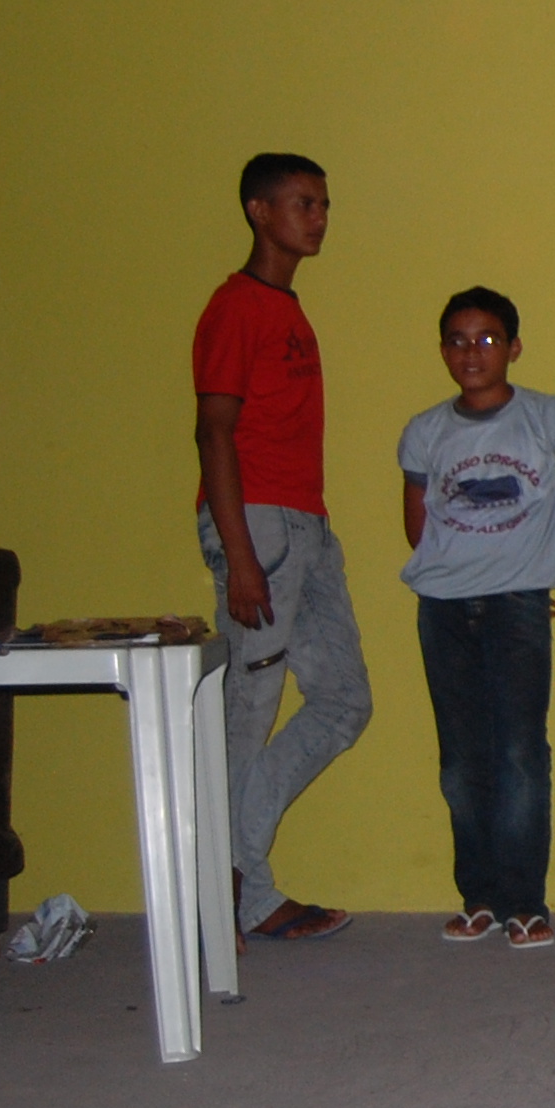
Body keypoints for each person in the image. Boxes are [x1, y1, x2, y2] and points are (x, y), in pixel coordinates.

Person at [395, 286, 555, 950]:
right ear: (442, 351)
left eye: (487, 339)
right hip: (442, 611)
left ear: (514, 348)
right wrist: (479, 568)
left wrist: (527, 567)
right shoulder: (425, 432)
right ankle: (480, 896)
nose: (472, 352)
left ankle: (524, 901)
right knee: (461, 758)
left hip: (517, 608)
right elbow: (420, 531)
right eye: (457, 341)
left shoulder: (548, 418)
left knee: (519, 752)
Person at [193, 153, 372, 943]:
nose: (319, 217)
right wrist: (240, 557)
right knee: (249, 711)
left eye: (324, 204)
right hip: (258, 524)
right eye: (303, 203)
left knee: (344, 701)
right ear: (259, 211)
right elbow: (213, 432)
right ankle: (227, 895)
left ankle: (235, 875)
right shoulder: (236, 306)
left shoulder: (286, 308)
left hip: (305, 525)